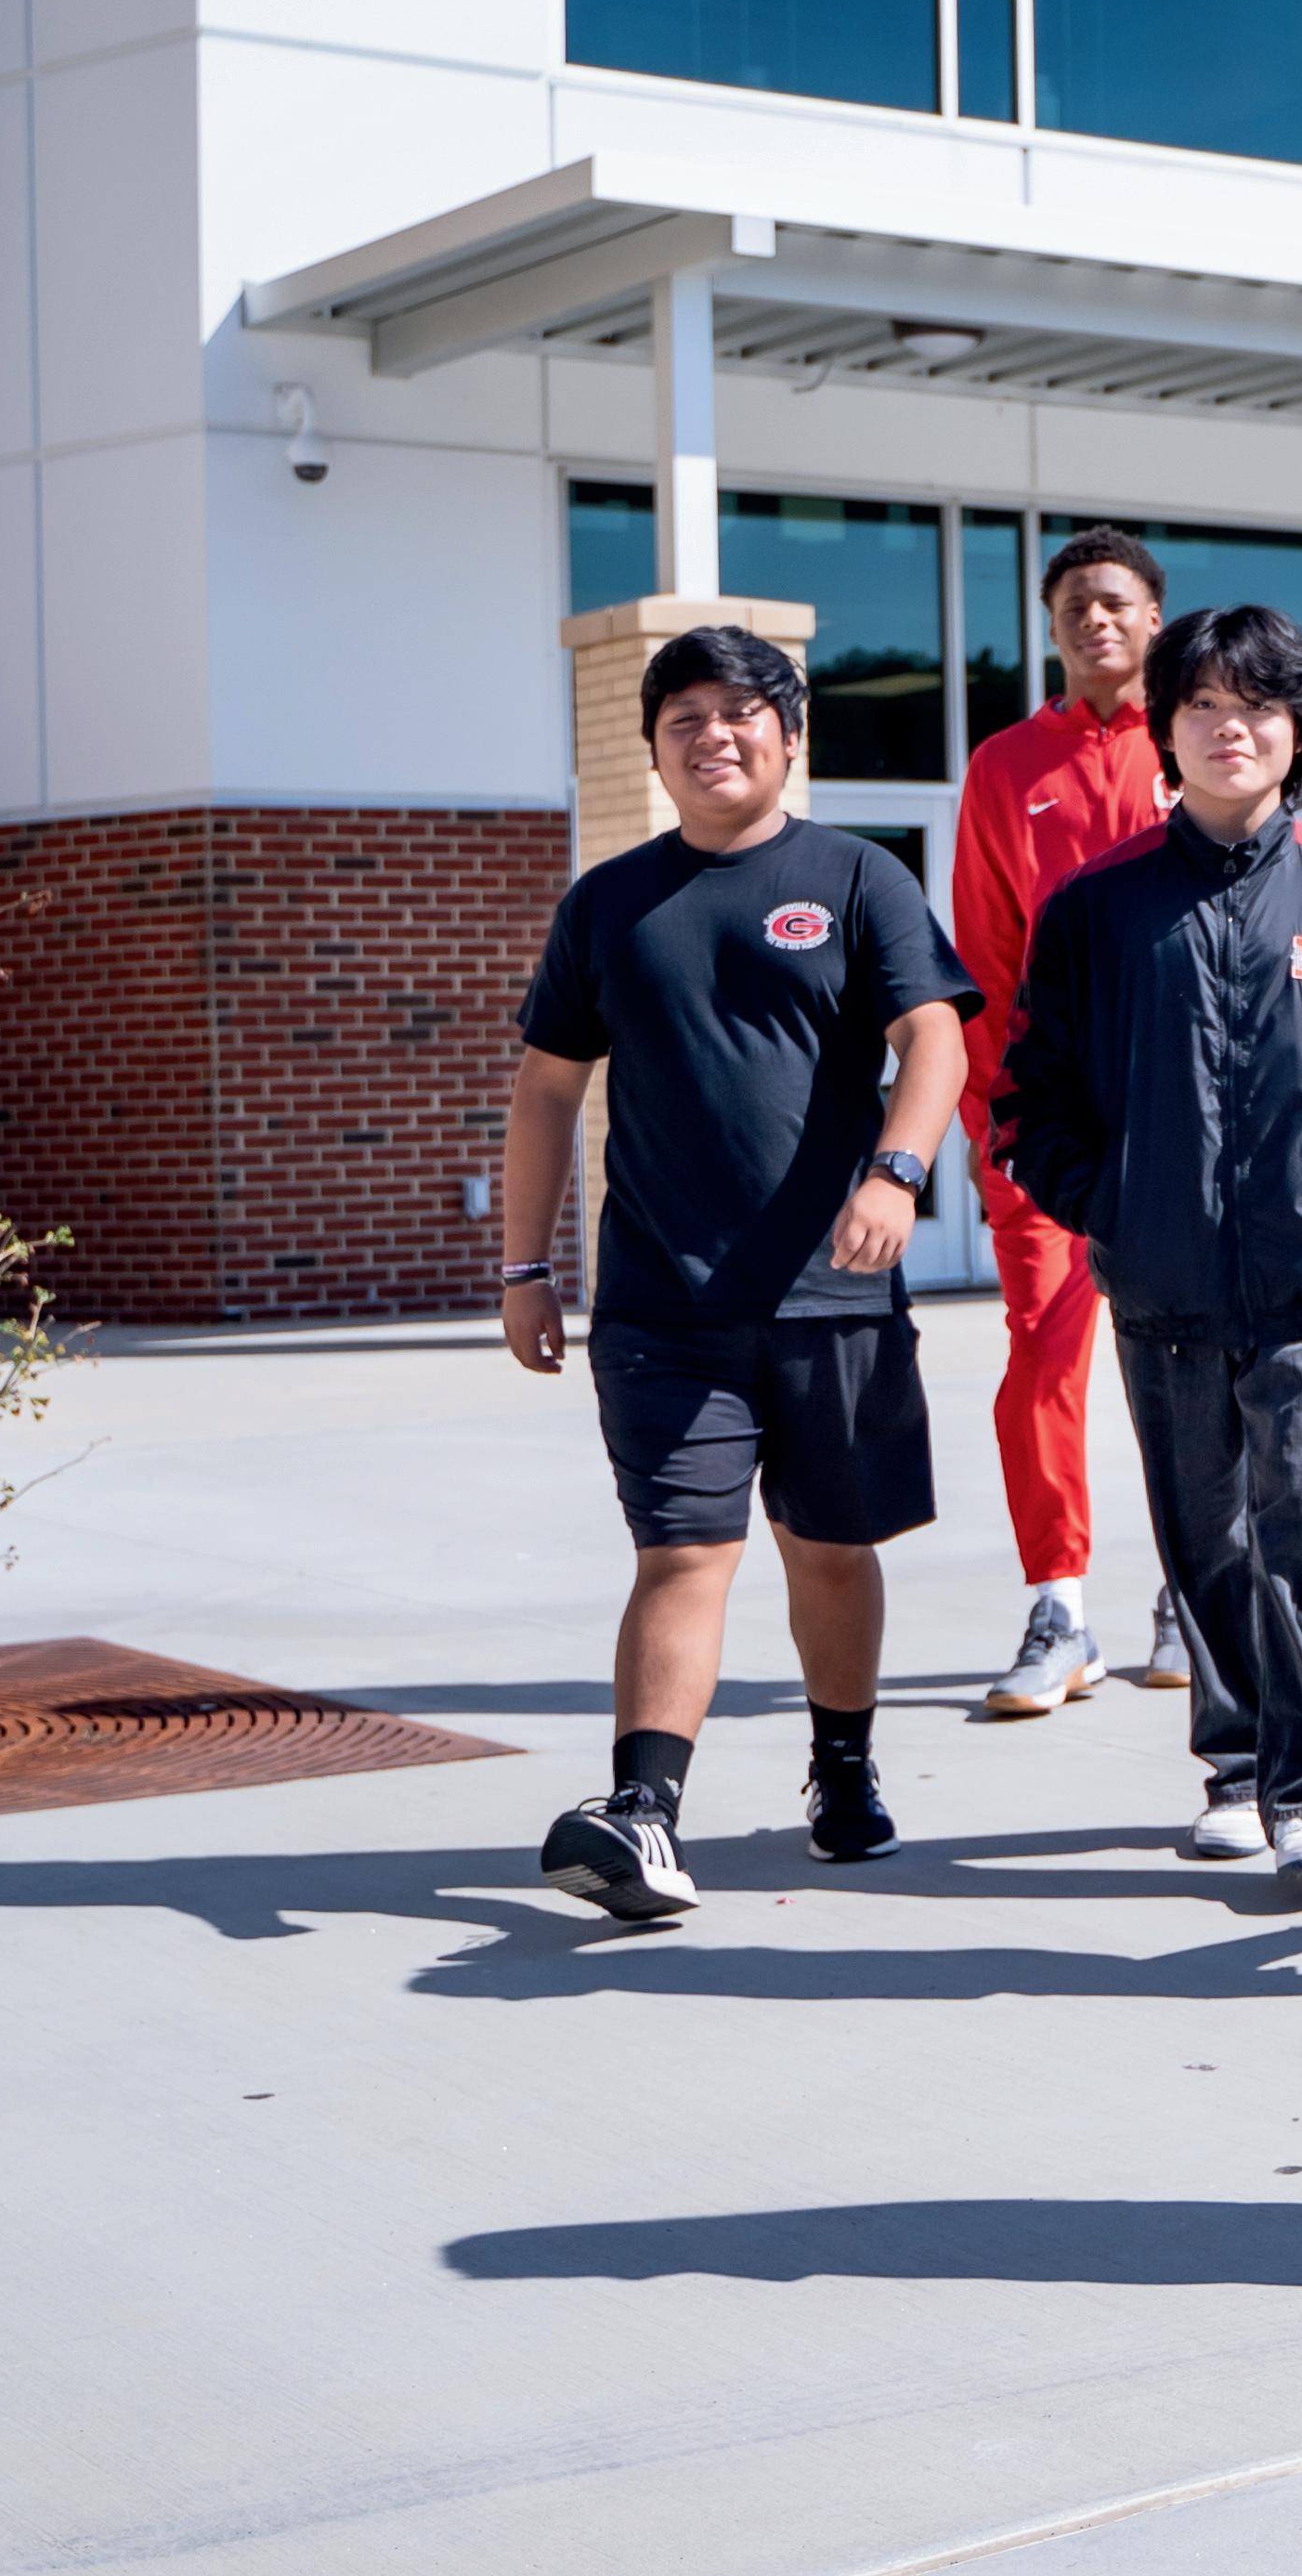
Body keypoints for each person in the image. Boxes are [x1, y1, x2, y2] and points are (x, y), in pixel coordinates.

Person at [501, 625, 977, 1921]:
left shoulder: (858, 875)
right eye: (685, 719)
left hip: (832, 1296)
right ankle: (641, 1811)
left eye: (740, 712)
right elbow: (546, 1089)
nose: (713, 735)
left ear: (789, 735)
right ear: (653, 751)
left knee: (828, 1549)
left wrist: (897, 1171)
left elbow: (934, 1037)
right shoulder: (606, 902)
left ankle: (843, 1766)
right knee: (681, 1555)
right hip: (663, 1304)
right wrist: (524, 1263)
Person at [993, 605, 1302, 1882]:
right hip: (1163, 1281)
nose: (1232, 727)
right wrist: (1114, 1201)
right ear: (1165, 732)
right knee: (1206, 1536)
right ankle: (1234, 1765)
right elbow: (1030, 1098)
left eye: (1258, 706)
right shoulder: (1095, 907)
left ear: (1300, 734)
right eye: (1204, 706)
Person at [952, 524, 1190, 1717]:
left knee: (1190, 1366)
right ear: (1050, 631)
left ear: (1153, 617)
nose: (1093, 620)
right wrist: (995, 1122)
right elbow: (984, 958)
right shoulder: (1005, 767)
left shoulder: (1198, 740)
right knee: (1043, 1359)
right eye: (1071, 608)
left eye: (1113, 602)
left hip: (1183, 1116)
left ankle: (1190, 1594)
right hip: (1052, 1125)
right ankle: (1059, 1610)